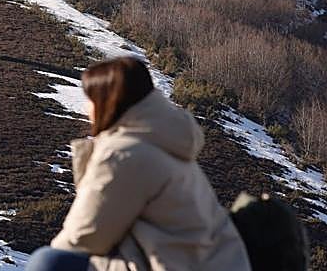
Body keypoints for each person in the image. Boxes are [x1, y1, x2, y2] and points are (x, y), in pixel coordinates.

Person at [27, 56, 251, 271]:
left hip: (172, 265)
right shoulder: (165, 142)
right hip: (207, 264)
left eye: (91, 99)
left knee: (48, 262)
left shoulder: (126, 154)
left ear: (108, 101)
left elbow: (84, 237)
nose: (88, 109)